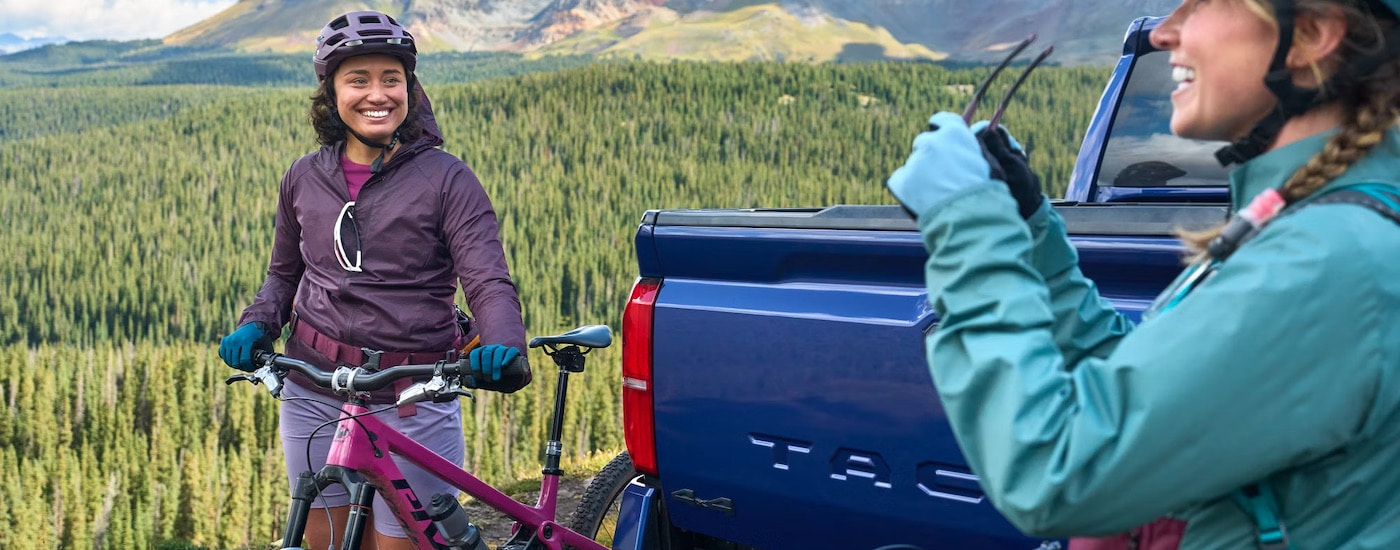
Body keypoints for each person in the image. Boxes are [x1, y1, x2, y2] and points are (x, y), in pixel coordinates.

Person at [886, 0, 1400, 548]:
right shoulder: (1319, 231)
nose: (1163, 34)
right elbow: (1148, 395)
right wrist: (1031, 234)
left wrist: (969, 228)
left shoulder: (1325, 259)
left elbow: (1060, 474)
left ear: (1312, 34)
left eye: (1198, 4)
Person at [217, 10, 529, 550]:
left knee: (399, 542)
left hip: (413, 389)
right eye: (358, 80)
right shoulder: (304, 177)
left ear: (410, 88)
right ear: (332, 93)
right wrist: (258, 323)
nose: (377, 95)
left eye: (392, 79)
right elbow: (283, 275)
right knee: (326, 539)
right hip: (312, 387)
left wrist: (503, 342)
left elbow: (487, 279)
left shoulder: (447, 180)